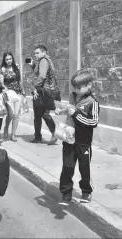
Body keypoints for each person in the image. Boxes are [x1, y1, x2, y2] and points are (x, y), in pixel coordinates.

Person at [58, 69, 100, 205]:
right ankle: (66, 193)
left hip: (83, 142)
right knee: (67, 167)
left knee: (84, 168)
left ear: (89, 85)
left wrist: (76, 114)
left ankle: (86, 192)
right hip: (69, 139)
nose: (75, 90)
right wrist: (63, 110)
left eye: (78, 88)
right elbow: (70, 107)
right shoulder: (73, 96)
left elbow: (93, 122)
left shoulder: (92, 102)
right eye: (74, 88)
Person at [27, 45, 58, 145]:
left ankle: (39, 137)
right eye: (35, 53)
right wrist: (33, 66)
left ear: (44, 52)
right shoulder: (45, 61)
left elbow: (42, 76)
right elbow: (39, 73)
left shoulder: (43, 61)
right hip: (46, 91)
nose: (35, 55)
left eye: (38, 53)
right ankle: (50, 134)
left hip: (43, 91)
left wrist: (35, 87)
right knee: (43, 114)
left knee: (39, 115)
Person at [0, 52, 26, 141]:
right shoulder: (2, 69)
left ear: (12, 59)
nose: (9, 61)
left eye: (10, 59)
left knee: (16, 115)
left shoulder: (16, 67)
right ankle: (6, 128)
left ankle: (13, 134)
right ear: (4, 60)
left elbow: (20, 80)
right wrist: (5, 89)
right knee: (11, 114)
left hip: (18, 92)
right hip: (9, 93)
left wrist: (24, 92)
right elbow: (1, 83)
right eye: (7, 59)